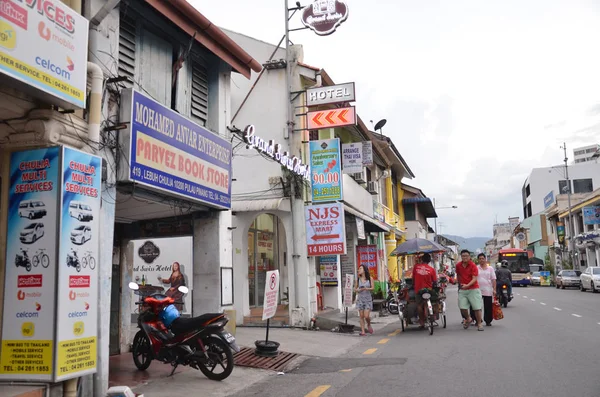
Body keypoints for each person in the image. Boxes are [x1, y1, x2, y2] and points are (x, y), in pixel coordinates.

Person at [456, 249, 484, 331]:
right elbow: (458, 275)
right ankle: (468, 318)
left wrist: (467, 285)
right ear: (461, 257)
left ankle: (479, 323)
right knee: (462, 307)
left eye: (466, 256)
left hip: (473, 289)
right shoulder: (458, 265)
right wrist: (459, 284)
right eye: (463, 256)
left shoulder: (473, 265)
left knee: (476, 307)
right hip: (463, 289)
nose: (464, 257)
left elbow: (474, 278)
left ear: (469, 257)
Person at [413, 253, 438, 329]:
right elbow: (435, 282)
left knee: (419, 305)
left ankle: (422, 322)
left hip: (418, 290)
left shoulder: (416, 267)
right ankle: (432, 315)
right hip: (428, 290)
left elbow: (413, 279)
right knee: (434, 301)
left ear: (422, 259)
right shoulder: (432, 269)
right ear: (429, 261)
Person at [476, 253, 496, 326]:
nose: (481, 260)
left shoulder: (490, 268)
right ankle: (477, 319)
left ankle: (488, 320)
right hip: (477, 290)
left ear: (485, 259)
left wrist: (494, 289)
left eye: (482, 258)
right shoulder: (476, 268)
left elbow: (493, 279)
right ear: (478, 260)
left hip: (488, 290)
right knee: (477, 306)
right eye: (480, 259)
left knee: (488, 306)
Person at [355, 264, 374, 336]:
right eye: (359, 269)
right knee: (361, 316)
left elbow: (372, 288)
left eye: (360, 268)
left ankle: (369, 324)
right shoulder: (358, 279)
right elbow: (355, 289)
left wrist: (366, 288)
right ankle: (363, 331)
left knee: (366, 316)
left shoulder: (370, 278)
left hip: (368, 299)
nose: (359, 270)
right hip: (360, 299)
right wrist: (358, 290)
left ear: (364, 270)